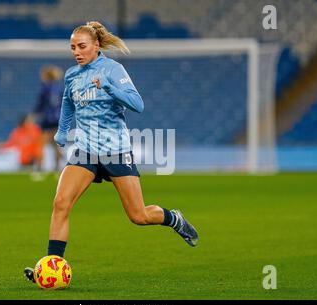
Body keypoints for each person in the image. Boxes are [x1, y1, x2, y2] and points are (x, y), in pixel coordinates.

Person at [24, 21, 198, 282]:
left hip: (115, 150)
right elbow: (68, 105)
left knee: (138, 216)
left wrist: (110, 88)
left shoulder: (113, 70)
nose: (76, 52)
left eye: (82, 46)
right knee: (61, 203)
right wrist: (62, 131)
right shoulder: (72, 75)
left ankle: (174, 218)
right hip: (84, 151)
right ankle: (52, 266)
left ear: (96, 46)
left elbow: (137, 104)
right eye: (73, 47)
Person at [33, 66, 64, 172]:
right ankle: (58, 166)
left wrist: (35, 114)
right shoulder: (59, 88)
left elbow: (40, 104)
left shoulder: (45, 88)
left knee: (42, 143)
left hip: (47, 119)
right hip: (57, 119)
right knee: (55, 144)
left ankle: (39, 166)